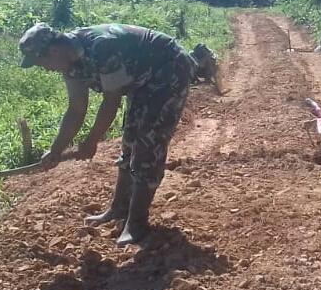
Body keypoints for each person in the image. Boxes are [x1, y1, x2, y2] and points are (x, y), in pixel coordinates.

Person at [19, 22, 196, 246]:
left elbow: (111, 102)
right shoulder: (69, 63)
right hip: (140, 80)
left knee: (147, 144)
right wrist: (55, 150)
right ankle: (119, 208)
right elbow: (76, 109)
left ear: (53, 50)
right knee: (130, 141)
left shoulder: (102, 47)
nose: (45, 69)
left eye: (41, 62)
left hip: (168, 68)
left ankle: (137, 224)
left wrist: (91, 141)